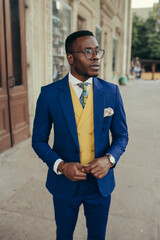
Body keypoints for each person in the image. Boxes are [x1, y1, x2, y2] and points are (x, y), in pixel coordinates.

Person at [32, 30, 128, 240]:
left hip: (100, 184)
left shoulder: (111, 92)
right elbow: (38, 140)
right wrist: (61, 165)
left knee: (97, 235)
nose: (95, 57)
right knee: (64, 234)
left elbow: (122, 136)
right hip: (65, 184)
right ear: (70, 58)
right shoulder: (49, 94)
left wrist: (109, 160)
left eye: (97, 51)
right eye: (87, 52)